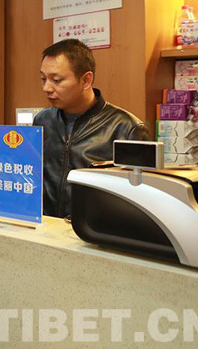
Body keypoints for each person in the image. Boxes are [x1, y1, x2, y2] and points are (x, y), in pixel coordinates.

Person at [34, 39, 151, 218]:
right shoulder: (43, 120)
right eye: (43, 79)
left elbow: (141, 199)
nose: (46, 88)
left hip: (94, 230)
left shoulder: (127, 128)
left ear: (86, 80)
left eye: (56, 80)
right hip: (48, 226)